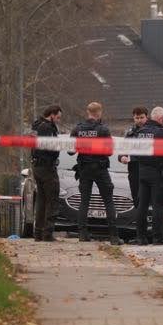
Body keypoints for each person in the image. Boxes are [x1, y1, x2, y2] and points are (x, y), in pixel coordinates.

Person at [69, 101, 121, 245]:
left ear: (88, 112)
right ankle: (114, 237)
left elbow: (70, 151)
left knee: (84, 201)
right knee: (108, 201)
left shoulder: (78, 129)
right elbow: (109, 151)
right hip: (100, 168)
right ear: (99, 113)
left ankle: (82, 234)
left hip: (84, 168)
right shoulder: (103, 130)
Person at [134, 106, 163, 245]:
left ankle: (141, 237)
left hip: (142, 172)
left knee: (142, 205)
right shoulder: (161, 132)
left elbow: (135, 153)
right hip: (157, 172)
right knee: (158, 205)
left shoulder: (140, 131)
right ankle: (158, 238)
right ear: (161, 119)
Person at [30, 104, 62, 242]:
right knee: (52, 200)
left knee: (42, 201)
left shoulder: (37, 125)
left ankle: (38, 233)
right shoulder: (47, 127)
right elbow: (51, 148)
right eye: (58, 117)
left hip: (37, 166)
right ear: (52, 115)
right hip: (47, 167)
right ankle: (47, 233)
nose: (59, 120)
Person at [119, 106, 148, 207]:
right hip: (134, 170)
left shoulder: (152, 131)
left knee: (149, 200)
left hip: (149, 170)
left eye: (141, 117)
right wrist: (122, 157)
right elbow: (122, 151)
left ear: (146, 117)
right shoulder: (130, 133)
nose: (139, 120)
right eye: (137, 118)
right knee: (136, 200)